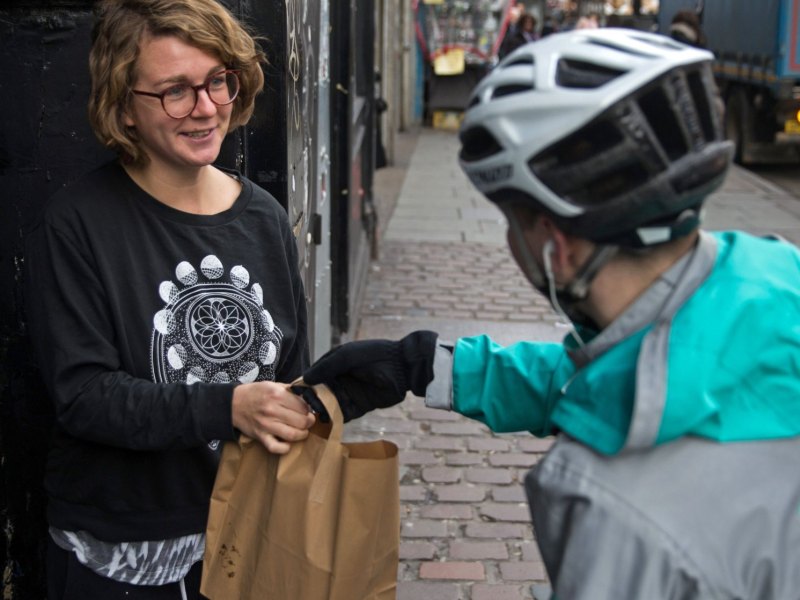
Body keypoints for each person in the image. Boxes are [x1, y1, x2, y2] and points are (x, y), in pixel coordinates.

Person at [300, 29, 800, 599]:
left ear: (554, 247)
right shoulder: (774, 283)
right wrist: (426, 366)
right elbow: (628, 379)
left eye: (509, 221)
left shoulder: (614, 504)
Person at [24, 0, 315, 597]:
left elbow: (292, 373)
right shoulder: (76, 225)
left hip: (248, 541)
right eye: (174, 91)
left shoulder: (263, 218)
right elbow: (83, 397)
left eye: (218, 81)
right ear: (124, 106)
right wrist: (228, 407)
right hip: (122, 560)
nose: (206, 108)